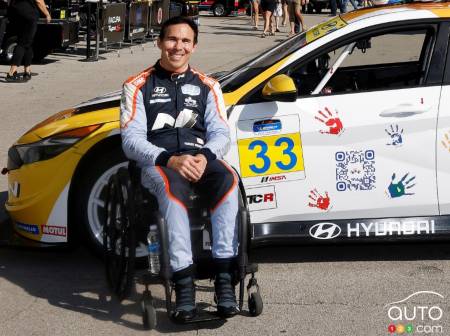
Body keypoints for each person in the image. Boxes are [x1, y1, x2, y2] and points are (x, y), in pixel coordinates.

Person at [120, 16, 240, 322]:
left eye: (186, 41)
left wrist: (206, 156)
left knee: (228, 182)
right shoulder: (136, 85)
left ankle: (224, 278)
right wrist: (168, 159)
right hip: (160, 163)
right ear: (159, 42)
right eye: (172, 39)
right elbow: (131, 141)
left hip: (200, 158)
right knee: (172, 193)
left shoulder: (208, 86)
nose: (178, 47)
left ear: (194, 46)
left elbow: (221, 133)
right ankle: (184, 282)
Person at [6, 0, 51, 82]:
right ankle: (11, 72)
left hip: (15, 14)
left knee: (27, 42)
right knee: (23, 43)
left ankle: (27, 70)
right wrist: (47, 14)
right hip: (28, 14)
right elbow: (39, 1)